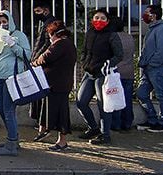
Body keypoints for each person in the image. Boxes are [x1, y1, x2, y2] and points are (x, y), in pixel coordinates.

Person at [75, 9, 123, 145]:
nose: (99, 21)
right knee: (81, 101)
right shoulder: (89, 33)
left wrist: (107, 65)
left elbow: (119, 55)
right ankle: (93, 128)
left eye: (102, 18)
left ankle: (105, 134)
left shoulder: (112, 35)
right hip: (89, 73)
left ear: (107, 21)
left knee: (104, 105)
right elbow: (84, 50)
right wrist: (84, 62)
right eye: (96, 18)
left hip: (102, 75)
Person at [0, 9, 31, 156]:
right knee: (2, 110)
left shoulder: (19, 36)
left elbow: (27, 56)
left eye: (4, 22)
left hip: (12, 77)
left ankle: (11, 144)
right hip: (0, 77)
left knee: (8, 110)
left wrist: (12, 44)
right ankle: (13, 139)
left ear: (10, 22)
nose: (2, 25)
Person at [33, 20, 77, 151]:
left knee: (60, 113)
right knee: (50, 109)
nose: (49, 38)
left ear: (54, 34)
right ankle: (44, 130)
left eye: (50, 35)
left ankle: (62, 141)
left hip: (57, 84)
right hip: (61, 83)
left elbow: (45, 58)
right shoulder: (69, 44)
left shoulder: (59, 45)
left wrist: (34, 63)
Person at [135, 4, 163, 133]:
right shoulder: (153, 29)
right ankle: (152, 119)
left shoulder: (161, 29)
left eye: (146, 12)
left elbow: (162, 50)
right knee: (141, 93)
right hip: (149, 68)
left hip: (157, 68)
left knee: (161, 95)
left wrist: (152, 64)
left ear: (153, 15)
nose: (144, 15)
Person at [30, 0, 56, 133]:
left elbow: (47, 44)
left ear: (46, 10)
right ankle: (41, 122)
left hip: (43, 63)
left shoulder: (51, 23)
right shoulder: (44, 23)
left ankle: (43, 124)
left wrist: (36, 58)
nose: (37, 14)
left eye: (38, 11)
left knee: (42, 95)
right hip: (39, 61)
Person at [111, 17, 135, 131]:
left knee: (116, 99)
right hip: (129, 71)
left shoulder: (113, 38)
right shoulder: (129, 37)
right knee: (127, 99)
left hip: (117, 72)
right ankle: (127, 123)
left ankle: (116, 124)